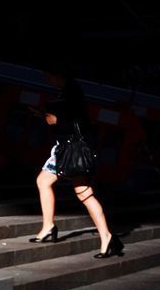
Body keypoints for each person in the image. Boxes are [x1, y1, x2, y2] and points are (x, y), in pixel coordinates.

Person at [31, 67, 124, 258]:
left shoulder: (69, 95)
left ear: (59, 75)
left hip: (70, 150)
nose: (48, 79)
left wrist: (46, 117)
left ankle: (106, 236)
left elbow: (63, 121)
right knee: (53, 184)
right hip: (69, 149)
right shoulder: (72, 92)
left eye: (49, 75)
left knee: (83, 193)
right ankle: (49, 226)